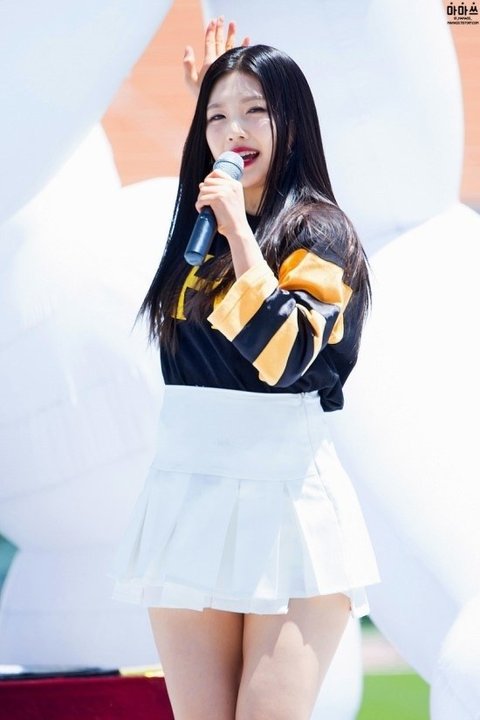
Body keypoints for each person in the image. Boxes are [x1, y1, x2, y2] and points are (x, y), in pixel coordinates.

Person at [111, 17, 380, 720]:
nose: (234, 131)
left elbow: (286, 355)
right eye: (217, 117)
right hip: (189, 488)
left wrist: (236, 227)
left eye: (256, 111)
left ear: (294, 120)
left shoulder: (321, 232)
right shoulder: (199, 234)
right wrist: (222, 127)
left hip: (284, 499)